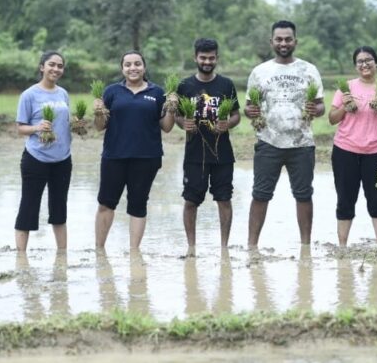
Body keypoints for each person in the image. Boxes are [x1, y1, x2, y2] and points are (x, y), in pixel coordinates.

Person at [244, 20, 324, 248]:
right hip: (268, 142)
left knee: (303, 194)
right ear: (272, 42)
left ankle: (306, 246)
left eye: (288, 39)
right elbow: (250, 107)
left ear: (295, 41)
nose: (283, 43)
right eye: (279, 39)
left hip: (302, 143)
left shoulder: (309, 70)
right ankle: (252, 246)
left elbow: (320, 106)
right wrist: (249, 112)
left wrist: (314, 110)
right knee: (260, 194)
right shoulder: (260, 72)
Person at [93, 50, 176, 250]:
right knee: (106, 202)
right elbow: (99, 126)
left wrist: (172, 108)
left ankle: (134, 252)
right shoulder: (112, 91)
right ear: (122, 68)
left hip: (147, 157)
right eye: (128, 64)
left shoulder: (158, 93)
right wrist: (98, 111)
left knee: (138, 204)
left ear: (144, 67)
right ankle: (99, 249)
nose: (133, 68)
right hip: (114, 156)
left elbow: (167, 127)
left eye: (137, 64)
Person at [328, 46, 377, 246]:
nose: (364, 64)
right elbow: (332, 119)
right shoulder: (346, 88)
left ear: (376, 63)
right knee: (345, 198)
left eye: (368, 60)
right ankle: (342, 246)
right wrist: (345, 106)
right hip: (345, 152)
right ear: (355, 66)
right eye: (360, 61)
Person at [175, 38, 240, 254]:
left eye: (211, 58)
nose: (207, 61)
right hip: (195, 154)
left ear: (217, 59)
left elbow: (236, 115)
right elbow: (176, 115)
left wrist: (227, 123)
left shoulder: (226, 85)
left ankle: (224, 247)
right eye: (203, 57)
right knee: (191, 200)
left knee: (224, 199)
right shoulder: (184, 86)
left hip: (223, 154)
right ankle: (191, 247)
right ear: (195, 58)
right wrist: (182, 123)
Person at [14, 51, 72, 252]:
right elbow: (21, 128)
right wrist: (37, 127)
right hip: (35, 159)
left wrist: (78, 125)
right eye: (51, 64)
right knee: (29, 206)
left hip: (63, 159)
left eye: (60, 66)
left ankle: (62, 254)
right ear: (42, 67)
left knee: (59, 207)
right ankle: (21, 257)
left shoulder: (63, 93)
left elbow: (64, 124)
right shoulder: (29, 95)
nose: (56, 69)